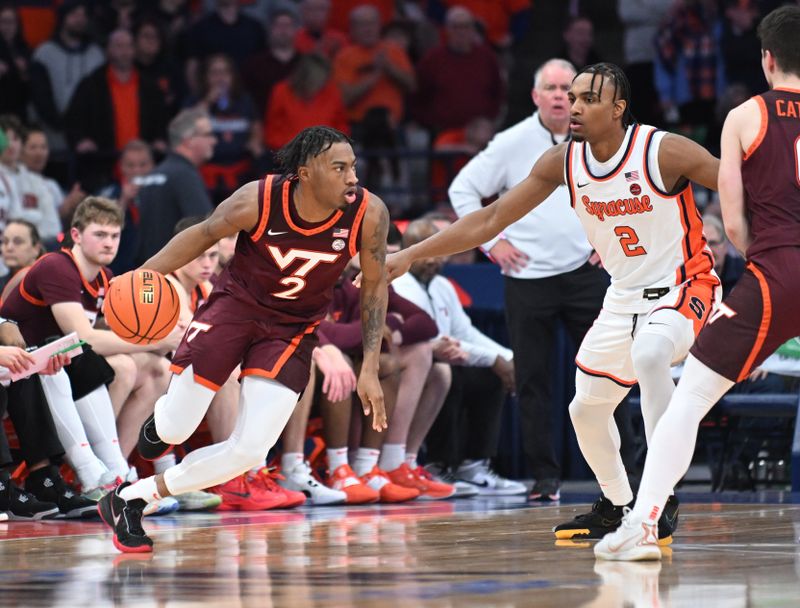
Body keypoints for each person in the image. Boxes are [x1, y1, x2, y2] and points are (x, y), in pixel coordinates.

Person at [383, 62, 722, 544]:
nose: (575, 106)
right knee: (585, 409)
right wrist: (409, 253)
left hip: (684, 285)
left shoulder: (662, 149)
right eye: (573, 96)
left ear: (618, 108)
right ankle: (617, 503)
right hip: (622, 295)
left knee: (650, 354)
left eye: (588, 98)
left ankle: (658, 500)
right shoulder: (563, 161)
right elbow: (490, 218)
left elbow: (737, 183)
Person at [99, 126, 391, 552]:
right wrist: (142, 277)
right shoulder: (259, 198)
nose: (352, 178)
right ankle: (163, 422)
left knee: (251, 451)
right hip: (235, 310)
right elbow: (201, 235)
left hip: (293, 328)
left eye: (353, 167)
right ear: (306, 173)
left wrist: (368, 366)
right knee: (178, 426)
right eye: (339, 168)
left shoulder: (369, 213)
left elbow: (374, 287)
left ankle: (133, 498)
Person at [595, 5, 800, 561]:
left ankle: (642, 525)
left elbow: (732, 221)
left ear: (767, 58)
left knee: (690, 400)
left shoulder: (745, 116)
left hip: (778, 267)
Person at [449, 58, 622, 501]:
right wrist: (493, 244)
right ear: (536, 96)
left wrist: (612, 239)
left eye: (571, 88)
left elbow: (625, 190)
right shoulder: (512, 142)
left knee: (611, 373)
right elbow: (461, 190)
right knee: (532, 380)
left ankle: (621, 477)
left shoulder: (603, 136)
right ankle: (545, 478)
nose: (563, 96)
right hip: (527, 277)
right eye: (553, 87)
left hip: (587, 272)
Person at [392, 219, 526, 497]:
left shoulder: (442, 285)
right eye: (425, 253)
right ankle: (436, 465)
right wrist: (493, 359)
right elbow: (432, 341)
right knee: (447, 373)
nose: (433, 261)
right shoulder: (399, 284)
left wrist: (508, 357)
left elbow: (465, 332)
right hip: (411, 364)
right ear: (408, 250)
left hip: (445, 357)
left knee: (488, 376)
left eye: (439, 253)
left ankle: (474, 465)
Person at [134, 108, 215, 265]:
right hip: (174, 272)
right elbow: (205, 228)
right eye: (208, 134)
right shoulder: (184, 175)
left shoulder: (153, 175)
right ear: (189, 140)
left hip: (147, 273)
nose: (214, 140)